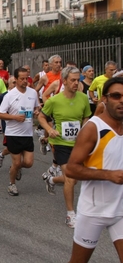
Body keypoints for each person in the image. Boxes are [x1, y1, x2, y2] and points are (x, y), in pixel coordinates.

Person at [65, 77, 123, 262]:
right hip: (94, 211)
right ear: (104, 99)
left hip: (120, 211)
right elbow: (72, 169)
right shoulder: (93, 128)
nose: (122, 100)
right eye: (116, 96)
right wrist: (108, 175)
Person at [38, 66, 91, 228]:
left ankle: (52, 179)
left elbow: (86, 117)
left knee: (74, 179)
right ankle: (70, 215)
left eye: (78, 80)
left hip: (78, 144)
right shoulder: (55, 100)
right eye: (73, 80)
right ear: (65, 81)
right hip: (60, 143)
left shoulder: (82, 98)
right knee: (71, 179)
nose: (76, 83)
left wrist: (84, 128)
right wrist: (49, 130)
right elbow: (41, 116)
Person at [0, 67, 40, 196]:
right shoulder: (10, 95)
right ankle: (12, 184)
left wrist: (37, 111)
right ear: (15, 79)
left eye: (26, 78)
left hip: (27, 133)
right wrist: (15, 117)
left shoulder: (33, 93)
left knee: (28, 163)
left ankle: (15, 169)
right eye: (21, 79)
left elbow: (36, 107)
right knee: (16, 162)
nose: (24, 81)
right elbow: (0, 114)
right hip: (13, 133)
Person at [0, 76, 16, 168]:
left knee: (20, 147)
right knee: (11, 147)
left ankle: (16, 165)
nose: (15, 85)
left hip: (21, 124)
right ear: (9, 84)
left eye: (16, 82)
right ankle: (2, 154)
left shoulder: (22, 95)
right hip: (7, 124)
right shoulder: (3, 96)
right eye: (13, 83)